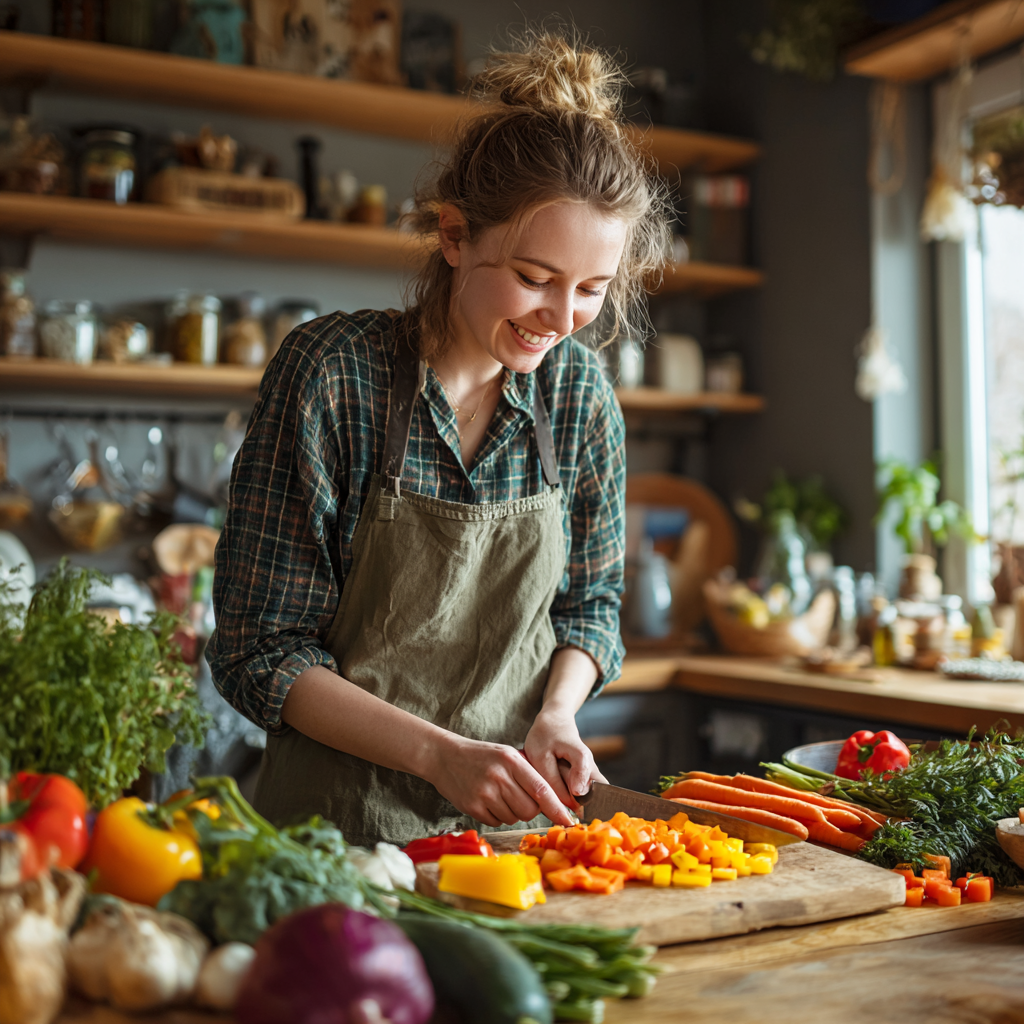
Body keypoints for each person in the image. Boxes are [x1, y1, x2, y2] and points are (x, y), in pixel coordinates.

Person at [207, 31, 672, 847]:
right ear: (454, 236)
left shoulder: (579, 395)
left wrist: (557, 713)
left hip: (518, 842)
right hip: (339, 843)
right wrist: (439, 755)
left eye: (592, 289)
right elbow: (260, 651)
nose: (562, 319)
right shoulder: (334, 375)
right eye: (534, 278)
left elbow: (591, 609)